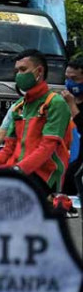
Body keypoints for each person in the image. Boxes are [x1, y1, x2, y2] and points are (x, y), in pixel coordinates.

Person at [0, 49, 72, 195]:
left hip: (43, 175)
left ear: (39, 72)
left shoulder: (54, 103)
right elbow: (8, 148)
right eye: (17, 70)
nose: (18, 75)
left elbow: (46, 148)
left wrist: (18, 170)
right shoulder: (19, 106)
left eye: (23, 69)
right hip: (16, 171)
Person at [62, 57, 83, 194]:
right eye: (67, 78)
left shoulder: (70, 102)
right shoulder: (61, 101)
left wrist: (72, 105)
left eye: (74, 79)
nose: (70, 83)